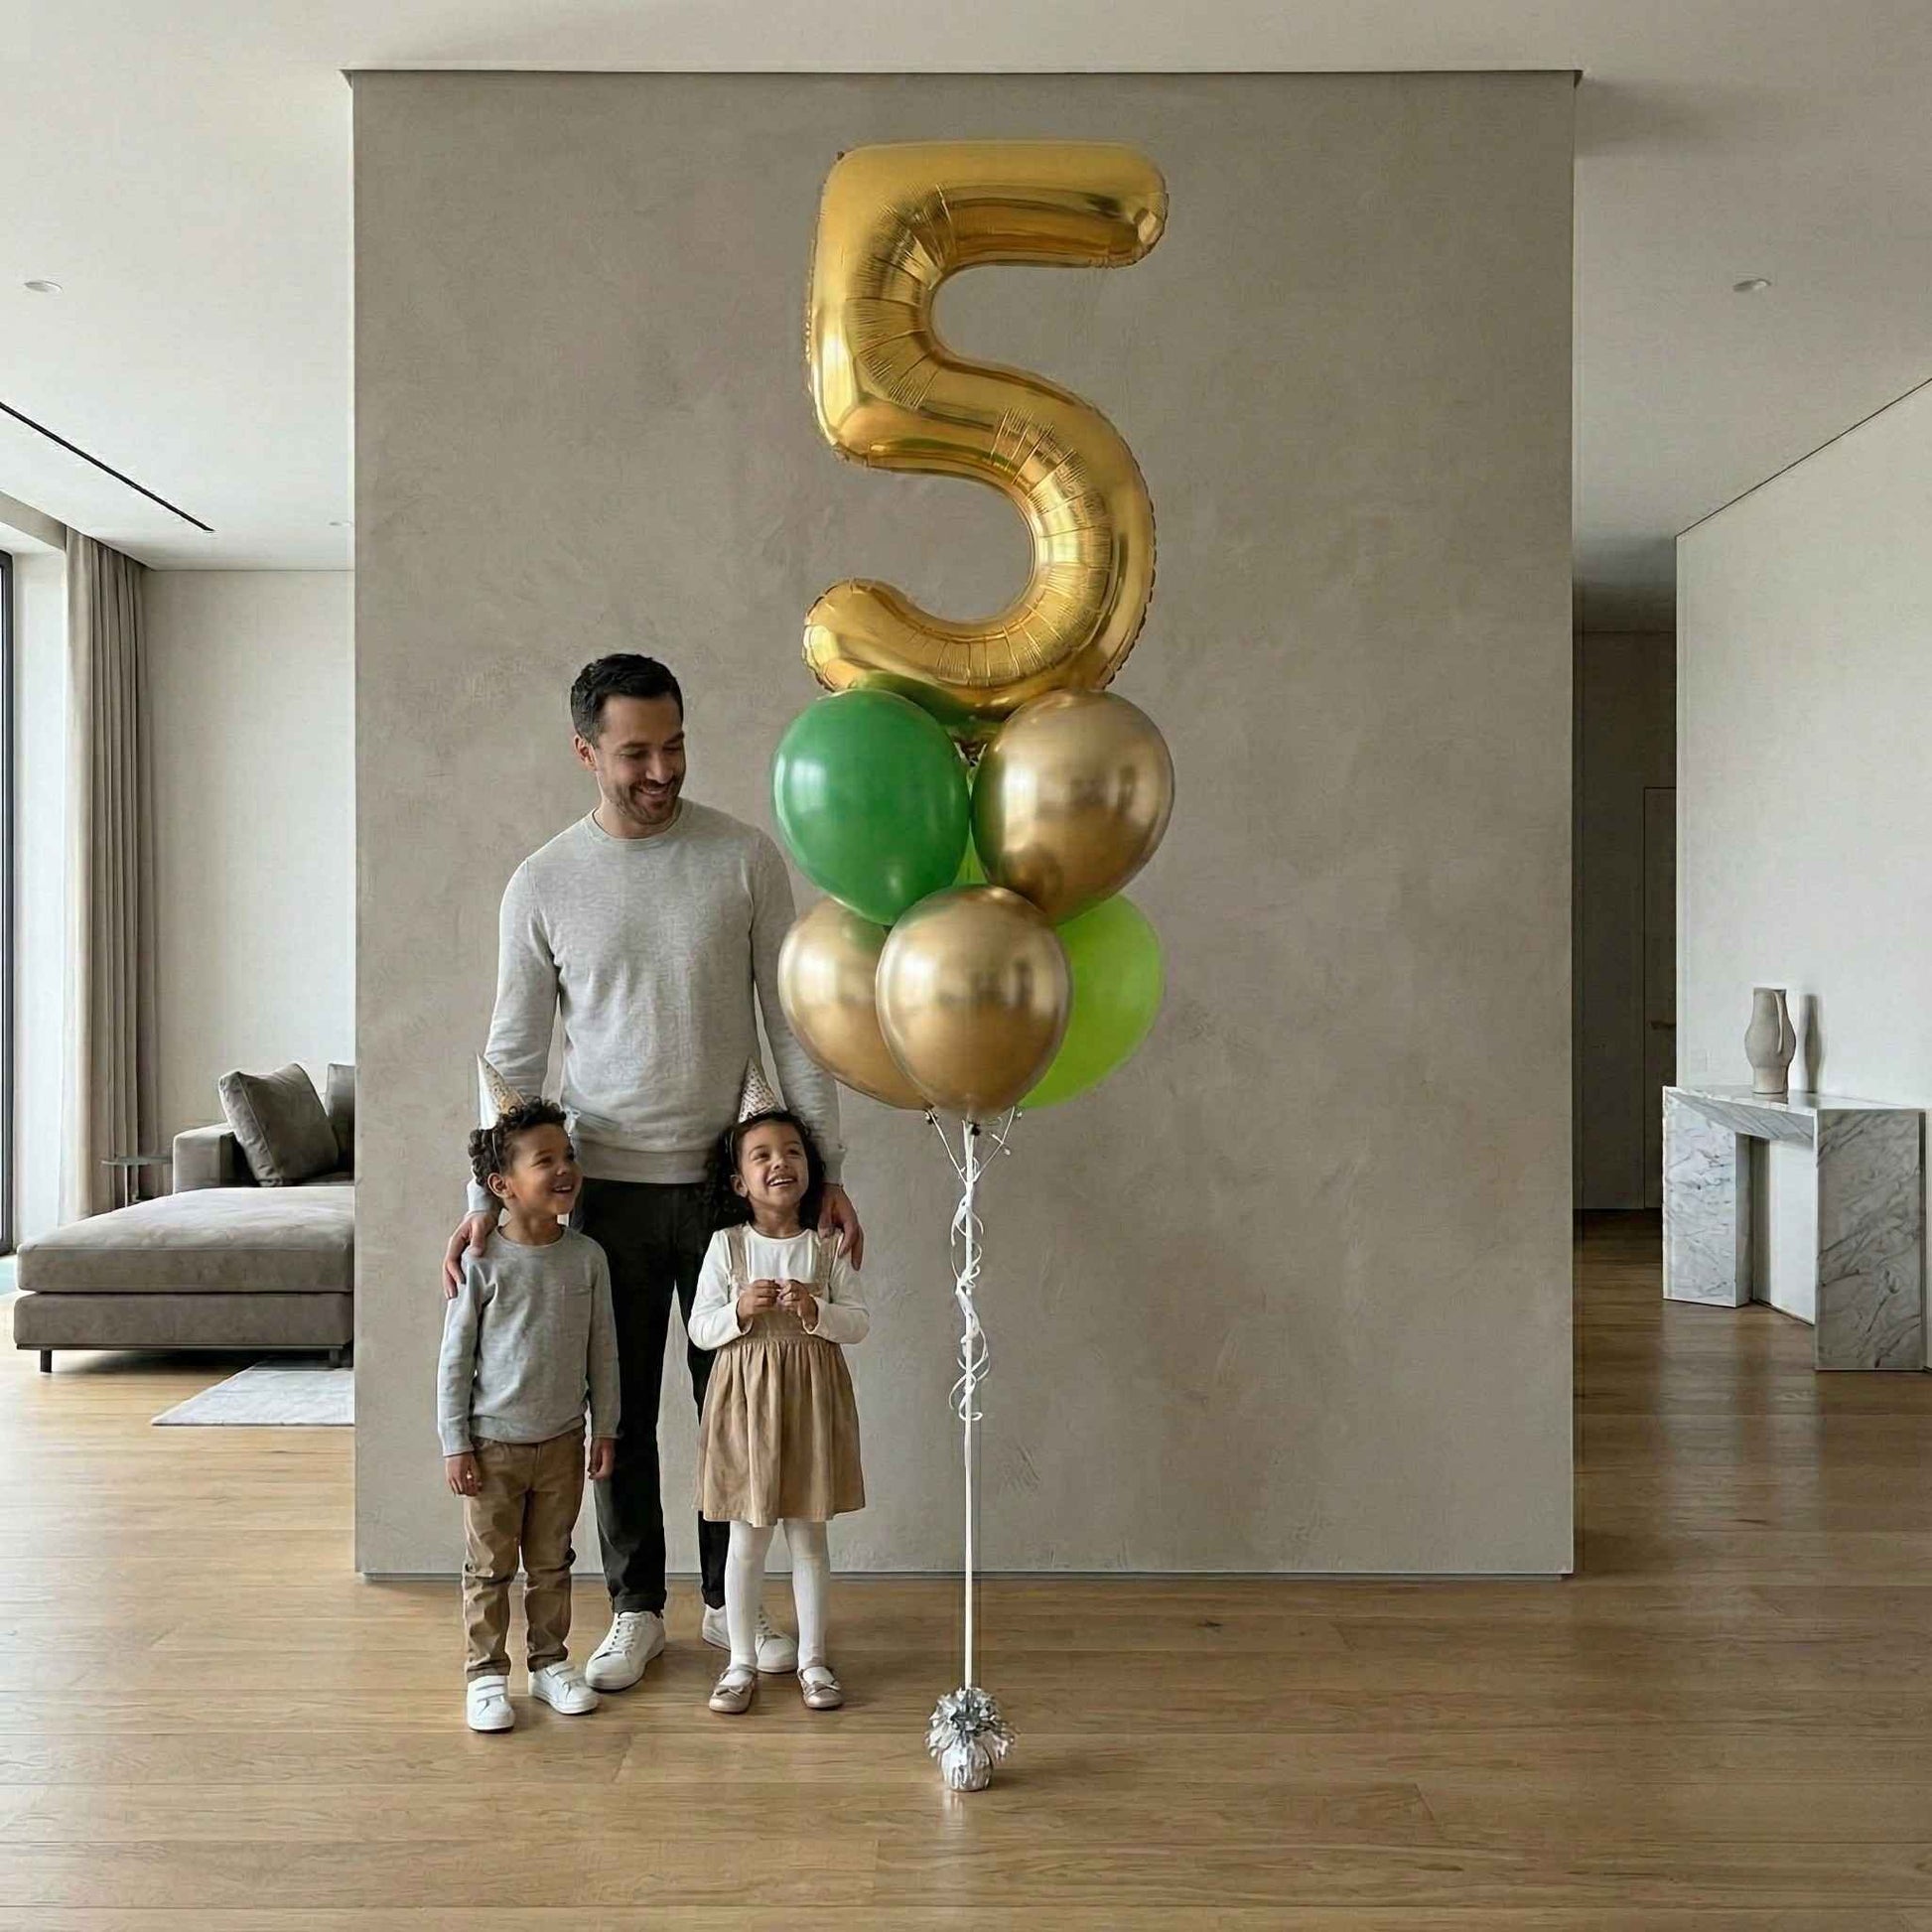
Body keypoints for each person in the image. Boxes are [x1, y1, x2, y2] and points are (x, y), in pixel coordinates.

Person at [442, 654, 864, 1694]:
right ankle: (635, 1608)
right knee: (617, 1413)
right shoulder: (542, 882)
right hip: (604, 1194)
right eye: (636, 751)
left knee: (736, 1401)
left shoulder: (743, 859)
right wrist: (480, 1201)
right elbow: (511, 1054)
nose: (662, 768)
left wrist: (825, 1172)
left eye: (674, 744)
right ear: (585, 750)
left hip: (730, 1190)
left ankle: (727, 1602)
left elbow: (795, 1030)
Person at [437, 1097, 619, 1733]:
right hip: (492, 1446)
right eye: (546, 1161)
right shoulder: (482, 1261)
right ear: (502, 1187)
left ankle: (549, 1663)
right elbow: (454, 1362)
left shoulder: (588, 1258)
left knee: (552, 1561)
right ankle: (486, 1675)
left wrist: (609, 1427)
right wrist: (455, 1443)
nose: (565, 1168)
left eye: (568, 1156)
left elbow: (604, 1352)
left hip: (564, 1443)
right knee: (489, 1568)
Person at [687, 1104, 869, 1714]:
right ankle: (740, 1661)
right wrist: (738, 1311)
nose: (779, 1164)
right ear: (739, 1181)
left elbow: (860, 1323)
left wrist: (817, 1313)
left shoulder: (826, 1247)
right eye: (761, 1155)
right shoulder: (726, 1246)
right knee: (747, 1536)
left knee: (809, 1537)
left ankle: (814, 1660)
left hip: (809, 1404)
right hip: (746, 1408)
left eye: (791, 1152)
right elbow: (699, 1329)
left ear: (810, 1170)